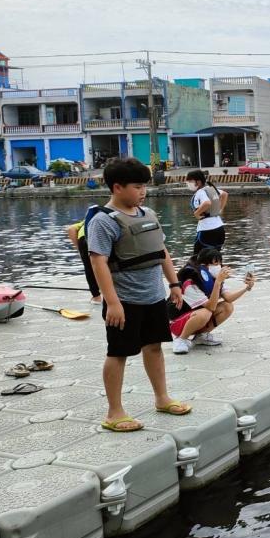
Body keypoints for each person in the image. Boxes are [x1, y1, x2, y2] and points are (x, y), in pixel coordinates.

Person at [86, 157, 191, 432]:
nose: (142, 191)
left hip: (154, 296)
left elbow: (162, 252)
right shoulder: (103, 221)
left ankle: (162, 397)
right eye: (136, 186)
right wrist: (112, 303)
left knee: (154, 347)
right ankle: (114, 412)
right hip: (124, 301)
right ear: (117, 187)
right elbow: (98, 262)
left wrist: (174, 284)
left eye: (144, 185)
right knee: (118, 353)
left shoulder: (148, 215)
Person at [168, 247, 255, 354]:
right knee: (206, 312)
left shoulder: (213, 279)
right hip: (177, 323)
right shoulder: (190, 282)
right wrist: (218, 282)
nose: (218, 266)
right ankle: (181, 340)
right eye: (215, 263)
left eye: (219, 263)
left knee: (227, 306)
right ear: (203, 265)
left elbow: (229, 297)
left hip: (196, 317)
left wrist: (247, 288)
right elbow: (211, 307)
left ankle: (201, 337)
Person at [186, 169, 228, 254]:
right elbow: (224, 194)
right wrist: (221, 209)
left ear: (198, 182)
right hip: (219, 228)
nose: (188, 184)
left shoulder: (200, 192)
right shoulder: (210, 189)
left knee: (198, 259)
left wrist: (196, 213)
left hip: (207, 230)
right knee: (215, 258)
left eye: (190, 181)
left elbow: (207, 203)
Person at [66, 207, 102, 303]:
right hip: (91, 238)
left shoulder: (87, 221)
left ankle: (96, 297)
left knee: (89, 268)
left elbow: (70, 229)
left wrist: (80, 250)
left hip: (84, 239)